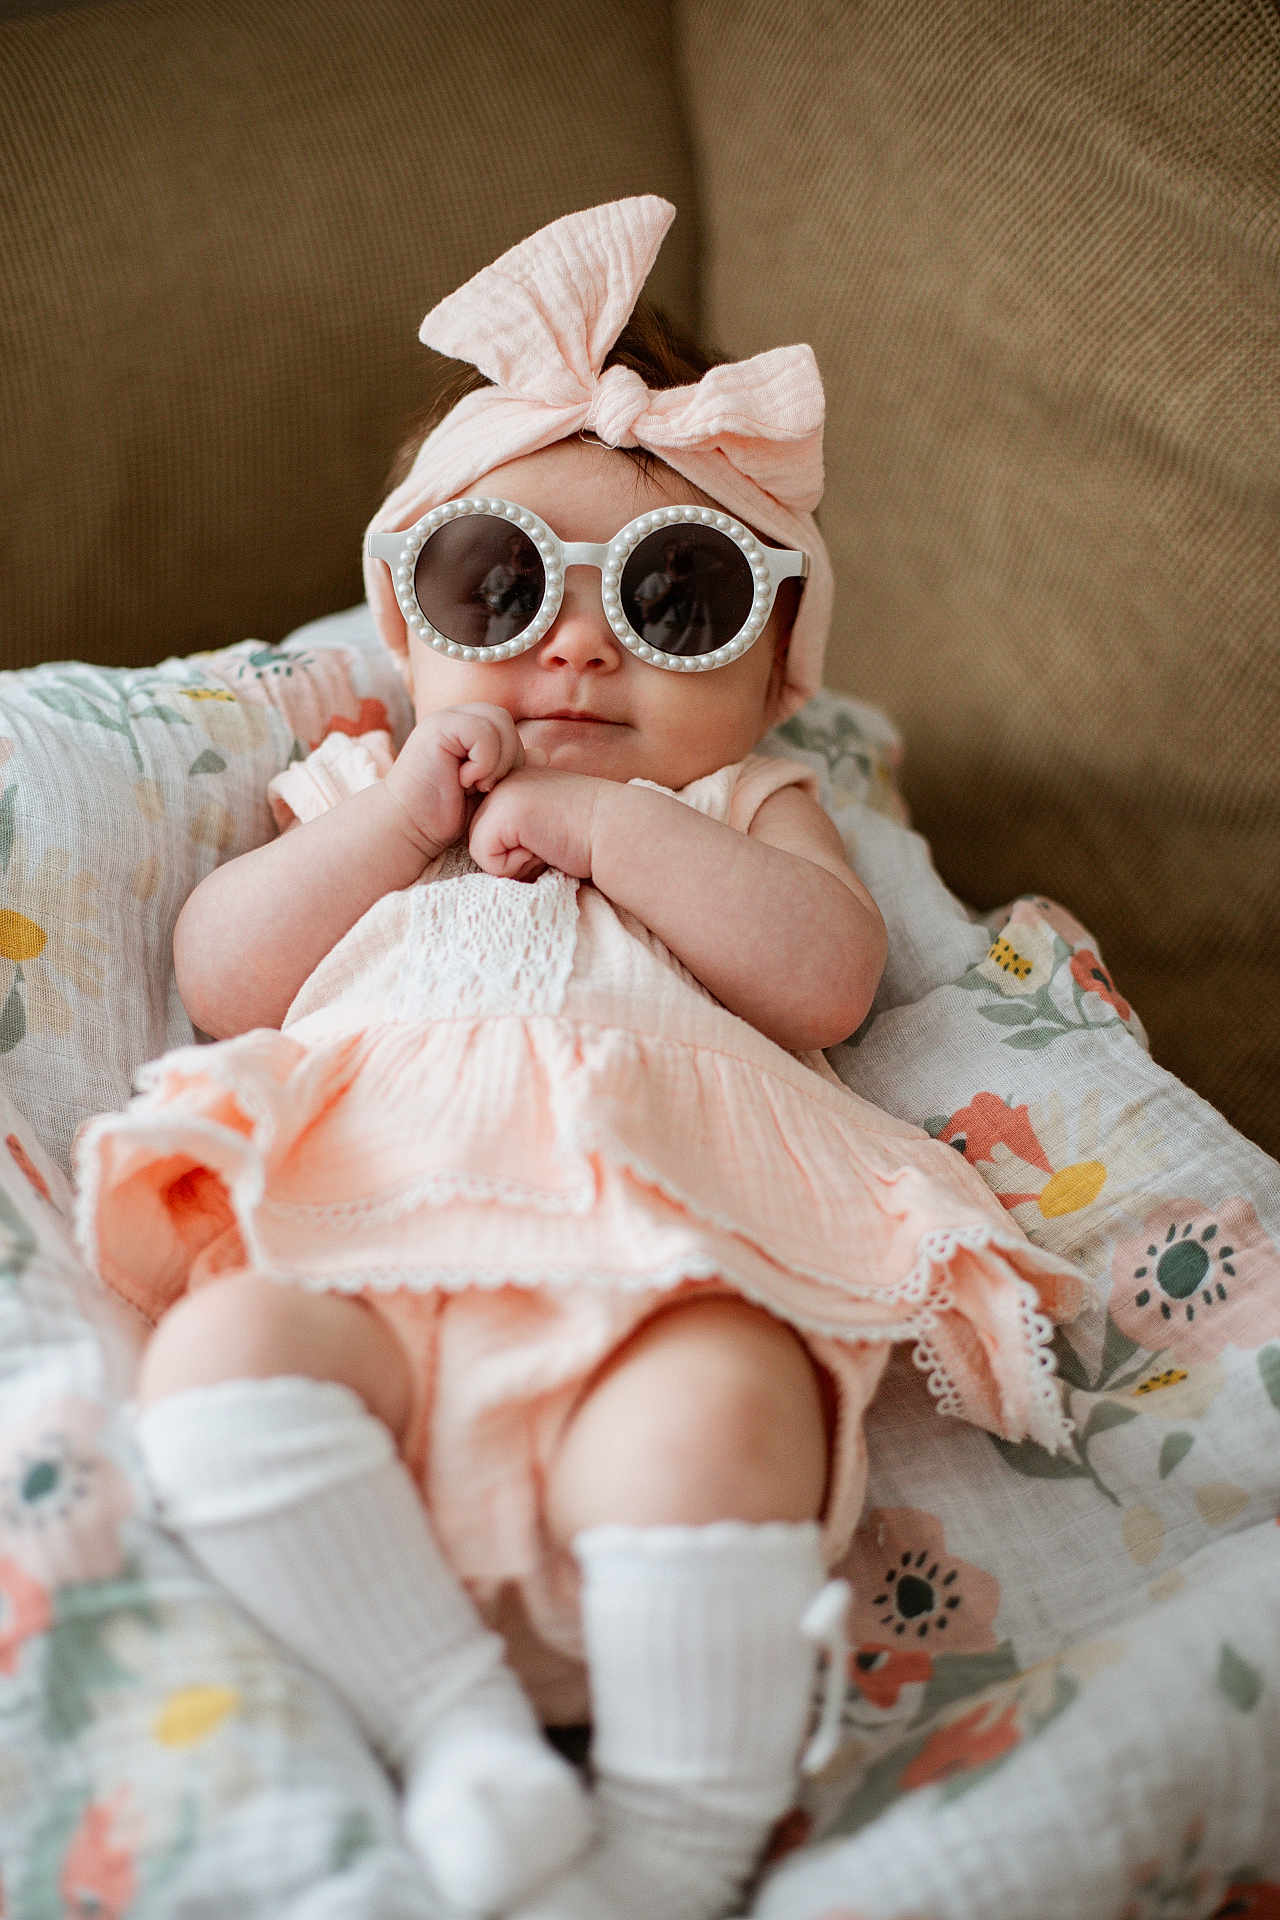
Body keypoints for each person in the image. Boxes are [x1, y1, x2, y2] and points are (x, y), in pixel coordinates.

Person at [74, 197, 1083, 1920]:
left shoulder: (737, 802)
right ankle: (455, 1732)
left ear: (776, 681)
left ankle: (667, 1851)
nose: (576, 645)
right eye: (502, 580)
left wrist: (612, 827)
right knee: (219, 1361)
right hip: (369, 1238)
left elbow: (828, 977)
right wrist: (398, 821)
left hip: (660, 1262)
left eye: (677, 600)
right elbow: (227, 980)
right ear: (405, 628)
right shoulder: (363, 803)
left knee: (715, 1415)